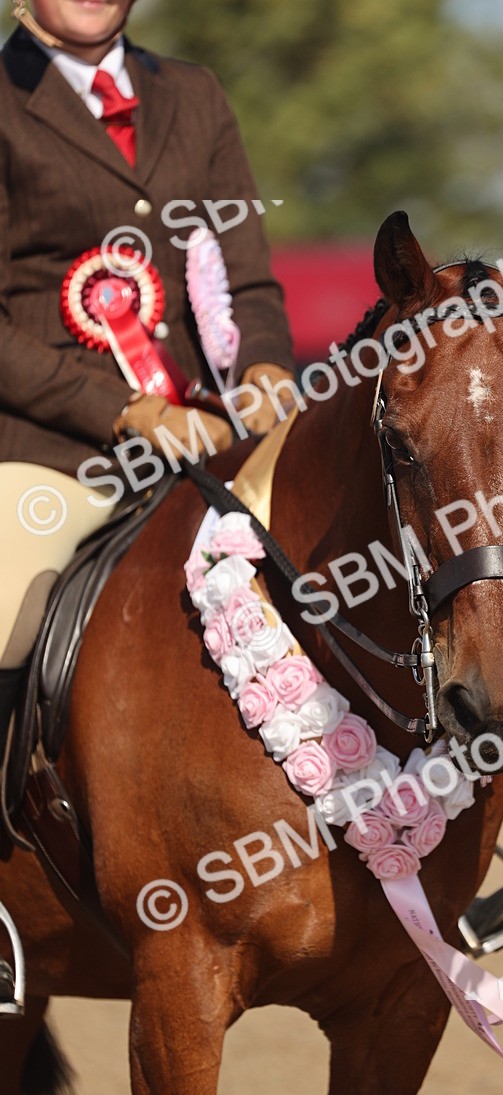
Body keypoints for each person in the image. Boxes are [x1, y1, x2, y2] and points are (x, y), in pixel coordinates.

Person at [0, 0, 296, 757]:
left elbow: (251, 280)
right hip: (53, 453)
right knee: (5, 621)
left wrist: (264, 365)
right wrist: (127, 411)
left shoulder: (194, 94)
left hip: (212, 437)